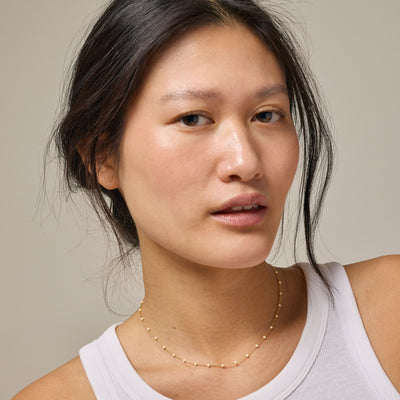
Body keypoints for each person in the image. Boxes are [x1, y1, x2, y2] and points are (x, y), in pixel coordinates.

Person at [12, 0, 400, 399]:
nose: (245, 163)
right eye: (192, 118)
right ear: (102, 157)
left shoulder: (389, 314)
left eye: (266, 115)